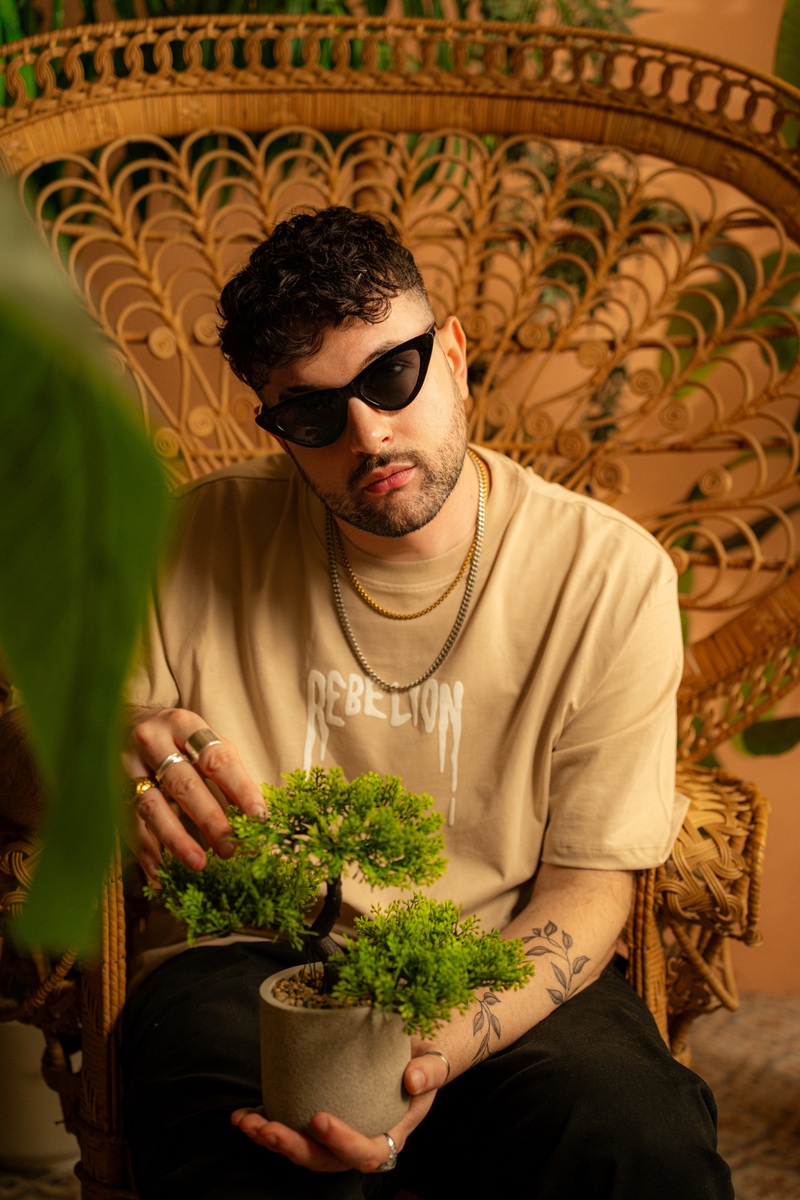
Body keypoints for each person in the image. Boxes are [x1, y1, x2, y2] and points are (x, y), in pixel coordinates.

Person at [120, 206, 733, 1200]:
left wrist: (423, 1059)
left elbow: (588, 888)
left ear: (451, 354)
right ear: (274, 424)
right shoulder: (183, 543)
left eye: (390, 375)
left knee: (637, 1142)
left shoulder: (607, 575)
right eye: (313, 413)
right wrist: (103, 740)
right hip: (244, 961)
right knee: (246, 1164)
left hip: (498, 952)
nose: (368, 433)